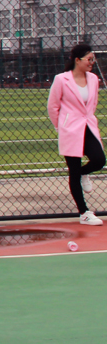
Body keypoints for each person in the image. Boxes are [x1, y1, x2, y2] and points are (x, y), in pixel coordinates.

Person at [47, 43, 104, 225]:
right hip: (70, 130)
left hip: (88, 127)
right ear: (77, 60)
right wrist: (62, 127)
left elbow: (92, 104)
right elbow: (53, 107)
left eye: (93, 59)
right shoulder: (61, 79)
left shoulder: (93, 79)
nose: (92, 62)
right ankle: (84, 213)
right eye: (89, 59)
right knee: (73, 170)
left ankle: (83, 173)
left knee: (99, 160)